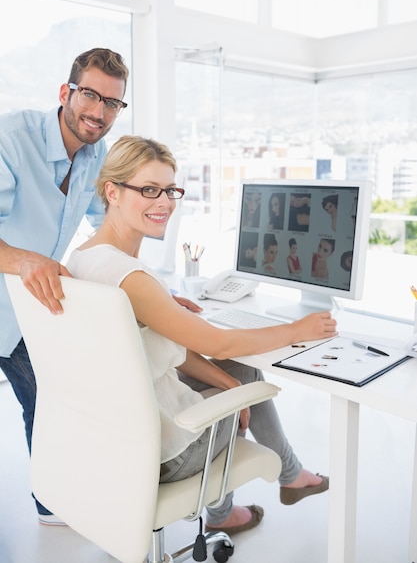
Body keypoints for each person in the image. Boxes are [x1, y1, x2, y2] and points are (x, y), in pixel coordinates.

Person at [67, 136, 337, 535]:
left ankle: (280, 479)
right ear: (112, 191)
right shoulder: (133, 278)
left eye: (169, 190)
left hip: (116, 438)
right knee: (244, 368)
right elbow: (218, 344)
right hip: (166, 455)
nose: (164, 203)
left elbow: (160, 350)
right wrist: (298, 330)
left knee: (234, 373)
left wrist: (224, 378)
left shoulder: (83, 260)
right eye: (148, 190)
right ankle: (277, 481)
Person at [0, 47, 131, 524]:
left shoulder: (97, 158)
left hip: (27, 307)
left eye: (112, 103)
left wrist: (143, 287)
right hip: (9, 294)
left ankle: (53, 503)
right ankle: (54, 502)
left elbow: (108, 229)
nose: (98, 112)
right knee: (48, 397)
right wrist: (22, 259)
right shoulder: (12, 139)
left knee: (52, 399)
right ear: (66, 92)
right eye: (90, 95)